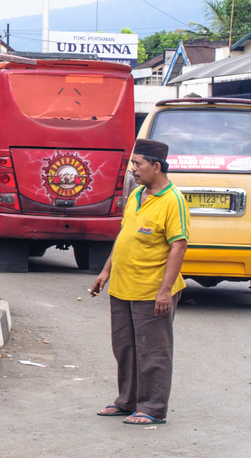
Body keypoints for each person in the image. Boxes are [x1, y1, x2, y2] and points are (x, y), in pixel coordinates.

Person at [90, 138, 188, 426]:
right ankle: (127, 401)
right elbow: (125, 236)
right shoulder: (136, 195)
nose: (133, 169)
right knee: (125, 348)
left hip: (151, 290)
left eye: (138, 163)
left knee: (153, 351)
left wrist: (165, 291)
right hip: (123, 286)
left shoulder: (173, 201)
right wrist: (105, 271)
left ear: (156, 167)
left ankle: (153, 407)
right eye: (133, 163)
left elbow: (178, 246)